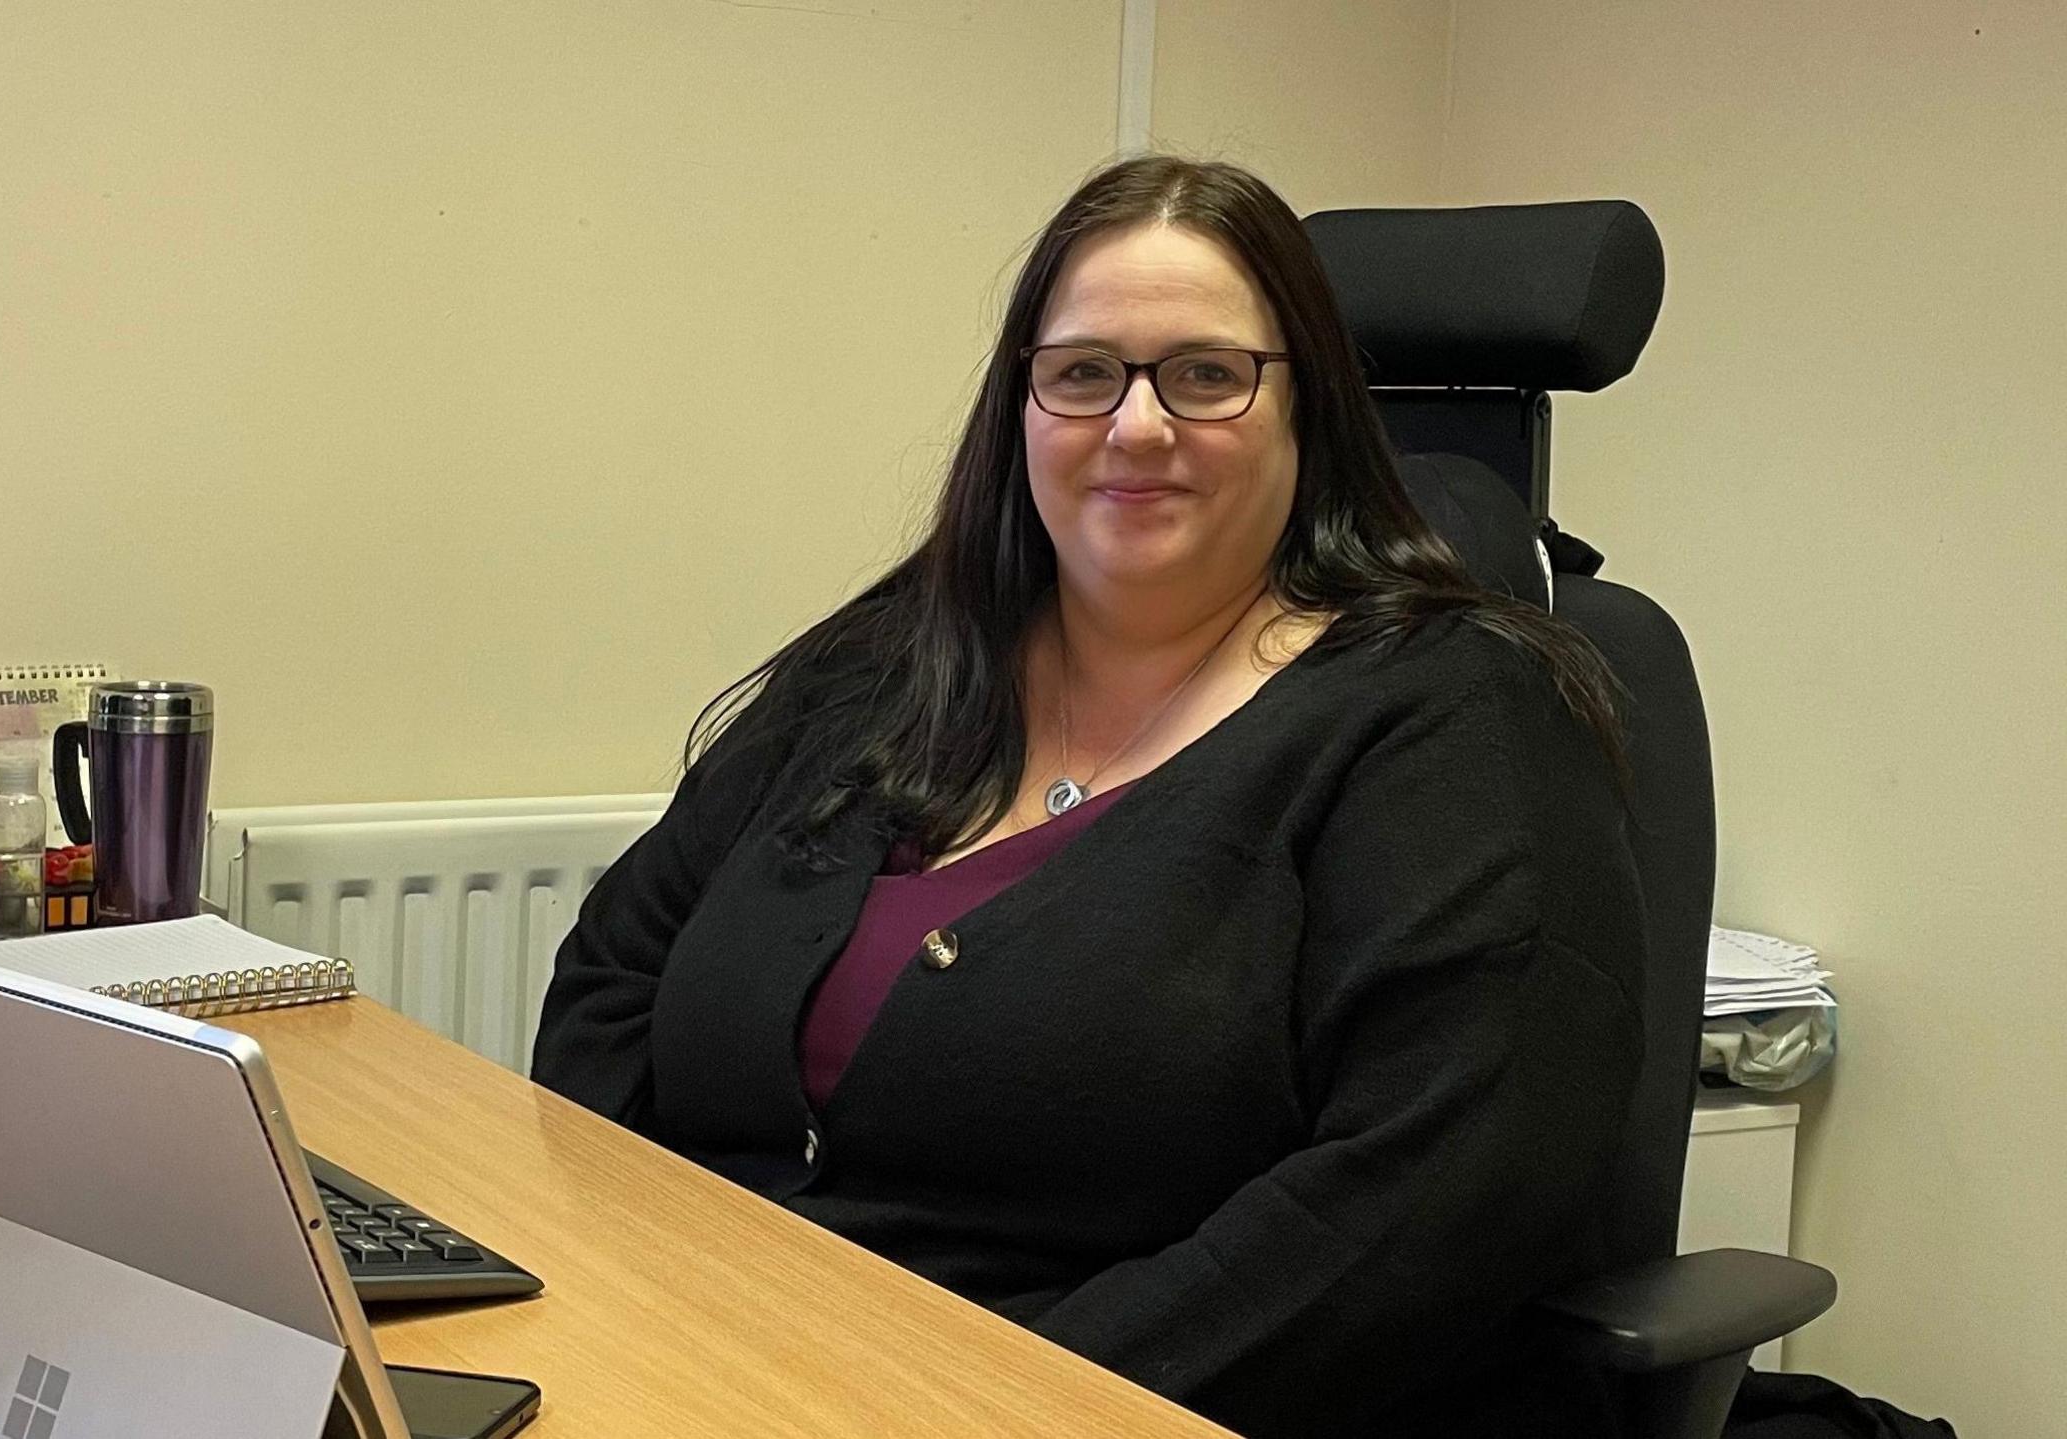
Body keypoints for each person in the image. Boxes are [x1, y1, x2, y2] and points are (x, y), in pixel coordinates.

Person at [530, 155, 1645, 1439]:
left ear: (1311, 411)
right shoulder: (892, 661)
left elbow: (1428, 1202)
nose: (1136, 426)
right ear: (1022, 406)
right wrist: (640, 1292)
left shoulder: (1453, 714)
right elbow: (614, 975)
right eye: (1082, 374)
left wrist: (981, 1406)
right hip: (714, 1370)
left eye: (1206, 375)